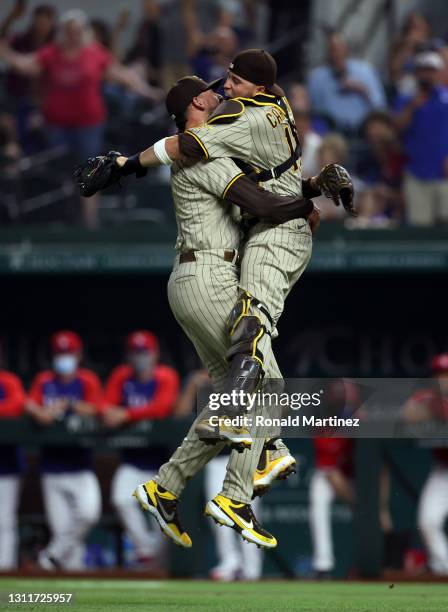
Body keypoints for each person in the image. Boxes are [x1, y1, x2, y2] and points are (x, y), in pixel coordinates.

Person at [0, 9, 158, 228]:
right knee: (61, 174)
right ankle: (64, 218)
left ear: (84, 32)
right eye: (69, 31)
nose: (73, 35)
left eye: (77, 31)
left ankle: (89, 224)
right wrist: (6, 52)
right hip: (57, 125)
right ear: (63, 32)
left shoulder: (95, 53)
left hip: (88, 125)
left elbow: (122, 75)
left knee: (90, 172)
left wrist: (149, 91)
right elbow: (27, 66)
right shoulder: (51, 53)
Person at [25, 331, 103, 570]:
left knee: (89, 514)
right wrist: (41, 412)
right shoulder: (44, 381)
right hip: (51, 467)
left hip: (81, 465)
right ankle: (70, 596)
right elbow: (28, 403)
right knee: (67, 537)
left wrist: (70, 405)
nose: (64, 358)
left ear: (78, 354)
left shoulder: (87, 380)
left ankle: (49, 555)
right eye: (60, 353)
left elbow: (100, 408)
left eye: (68, 353)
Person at [175, 369, 263, 580]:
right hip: (217, 459)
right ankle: (230, 561)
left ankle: (252, 568)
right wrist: (191, 386)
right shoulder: (203, 383)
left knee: (246, 514)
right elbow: (178, 415)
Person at [103, 330, 179, 567]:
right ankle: (144, 548)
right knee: (120, 499)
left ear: (155, 353)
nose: (140, 357)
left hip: (162, 463)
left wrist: (127, 414)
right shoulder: (122, 376)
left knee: (163, 517)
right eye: (136, 352)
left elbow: (162, 407)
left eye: (145, 352)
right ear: (129, 355)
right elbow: (106, 405)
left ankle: (159, 567)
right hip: (132, 461)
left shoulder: (165, 376)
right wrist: (109, 412)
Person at [402, 353, 448, 575]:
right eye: (439, 374)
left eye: (447, 374)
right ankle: (443, 570)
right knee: (428, 520)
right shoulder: (429, 397)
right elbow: (407, 414)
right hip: (443, 470)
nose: (443, 379)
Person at [393, 50, 448, 226]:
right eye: (423, 70)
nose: (427, 74)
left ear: (438, 72)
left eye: (431, 70)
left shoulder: (446, 98)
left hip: (444, 172)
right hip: (416, 172)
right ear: (417, 73)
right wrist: (412, 106)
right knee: (420, 225)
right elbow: (397, 128)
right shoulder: (406, 99)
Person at [307, 32, 386, 133]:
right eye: (333, 50)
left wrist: (362, 90)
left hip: (363, 129)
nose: (336, 55)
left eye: (339, 50)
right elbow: (313, 111)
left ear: (347, 50)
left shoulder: (365, 71)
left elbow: (380, 106)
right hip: (331, 131)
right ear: (327, 53)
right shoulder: (317, 78)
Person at [0, 365, 26, 570]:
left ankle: (5, 571)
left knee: (4, 521)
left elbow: (16, 406)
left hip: (5, 466)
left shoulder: (8, 381)